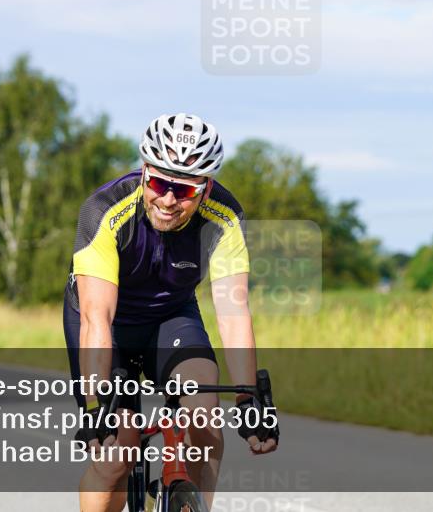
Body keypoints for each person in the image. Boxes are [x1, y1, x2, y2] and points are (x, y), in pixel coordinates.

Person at [64, 113, 278, 512]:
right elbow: (97, 318)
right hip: (108, 324)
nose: (167, 199)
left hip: (170, 316)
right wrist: (95, 408)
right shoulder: (105, 210)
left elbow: (234, 313)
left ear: (206, 188)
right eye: (159, 183)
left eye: (183, 190)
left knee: (205, 421)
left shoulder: (224, 217)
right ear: (144, 171)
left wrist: (249, 402)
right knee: (116, 455)